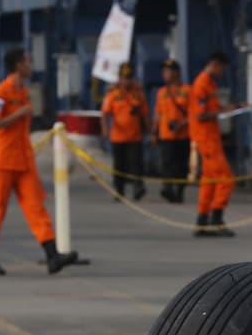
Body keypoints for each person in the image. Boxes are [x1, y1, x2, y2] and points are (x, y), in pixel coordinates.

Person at [0, 48, 81, 276]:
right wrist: (19, 113)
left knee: (36, 208)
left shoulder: (23, 91)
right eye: (27, 61)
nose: (30, 65)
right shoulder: (0, 93)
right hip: (3, 161)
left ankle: (52, 254)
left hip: (23, 161)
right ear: (17, 65)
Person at [189, 52, 240, 237]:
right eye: (222, 68)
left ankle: (202, 220)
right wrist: (223, 111)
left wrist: (228, 109)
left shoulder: (210, 84)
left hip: (211, 137)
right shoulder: (202, 84)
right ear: (215, 64)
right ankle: (216, 219)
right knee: (226, 178)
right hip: (207, 139)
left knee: (209, 180)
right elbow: (201, 115)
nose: (222, 72)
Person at [100, 62, 150, 200]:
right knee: (119, 165)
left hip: (135, 136)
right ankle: (119, 190)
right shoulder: (113, 94)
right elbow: (105, 113)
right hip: (118, 136)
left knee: (136, 164)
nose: (126, 81)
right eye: (123, 78)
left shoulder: (138, 94)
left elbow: (145, 114)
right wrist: (105, 129)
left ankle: (138, 187)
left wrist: (150, 132)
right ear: (119, 78)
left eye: (128, 78)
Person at [153, 58, 191, 203]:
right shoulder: (162, 92)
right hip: (166, 134)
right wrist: (153, 131)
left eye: (168, 71)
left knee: (182, 165)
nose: (165, 74)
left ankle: (179, 191)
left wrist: (182, 123)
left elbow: (193, 114)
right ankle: (167, 188)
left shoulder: (187, 91)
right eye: (164, 71)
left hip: (183, 134)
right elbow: (158, 113)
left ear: (176, 73)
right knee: (167, 163)